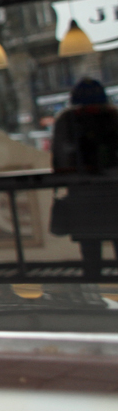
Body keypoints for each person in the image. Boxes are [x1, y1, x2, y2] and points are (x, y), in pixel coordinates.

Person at [51, 77, 118, 281]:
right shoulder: (113, 117)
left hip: (82, 197)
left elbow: (59, 162)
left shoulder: (67, 121)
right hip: (113, 195)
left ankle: (94, 296)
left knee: (90, 255)